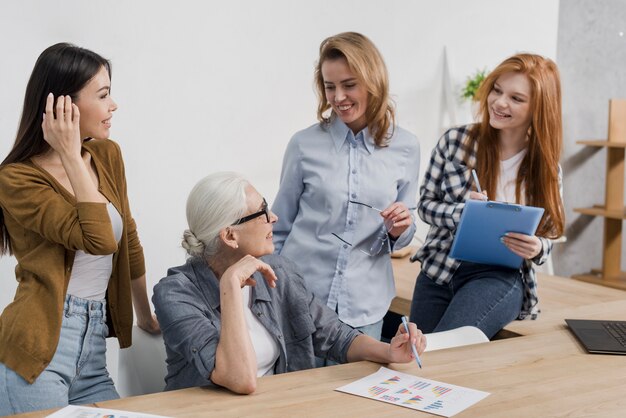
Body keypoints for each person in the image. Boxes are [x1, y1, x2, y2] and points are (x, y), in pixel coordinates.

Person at [152, 172, 426, 394]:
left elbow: (334, 336)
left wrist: (389, 350)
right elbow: (240, 379)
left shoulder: (279, 269)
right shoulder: (175, 294)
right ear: (230, 236)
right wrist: (231, 284)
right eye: (262, 212)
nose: (273, 218)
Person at [0, 43, 160, 415]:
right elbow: (100, 239)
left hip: (92, 353)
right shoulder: (16, 178)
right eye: (103, 96)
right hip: (36, 356)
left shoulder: (107, 154)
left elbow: (127, 240)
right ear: (63, 106)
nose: (113, 105)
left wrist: (144, 315)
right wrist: (71, 155)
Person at [272, 32, 420, 343]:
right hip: (302, 302)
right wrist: (276, 293)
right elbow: (278, 228)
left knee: (353, 392)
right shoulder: (303, 145)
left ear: (373, 83)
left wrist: (400, 227)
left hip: (365, 308)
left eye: (349, 84)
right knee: (301, 390)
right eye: (330, 86)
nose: (338, 97)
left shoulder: (406, 147)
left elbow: (405, 230)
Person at [409, 53, 565, 339]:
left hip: (497, 275)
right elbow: (426, 207)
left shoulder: (545, 167)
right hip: (439, 270)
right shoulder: (456, 142)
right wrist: (463, 212)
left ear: (538, 108)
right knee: (414, 355)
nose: (500, 103)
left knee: (444, 351)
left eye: (516, 99)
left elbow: (550, 235)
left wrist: (537, 247)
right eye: (497, 90)